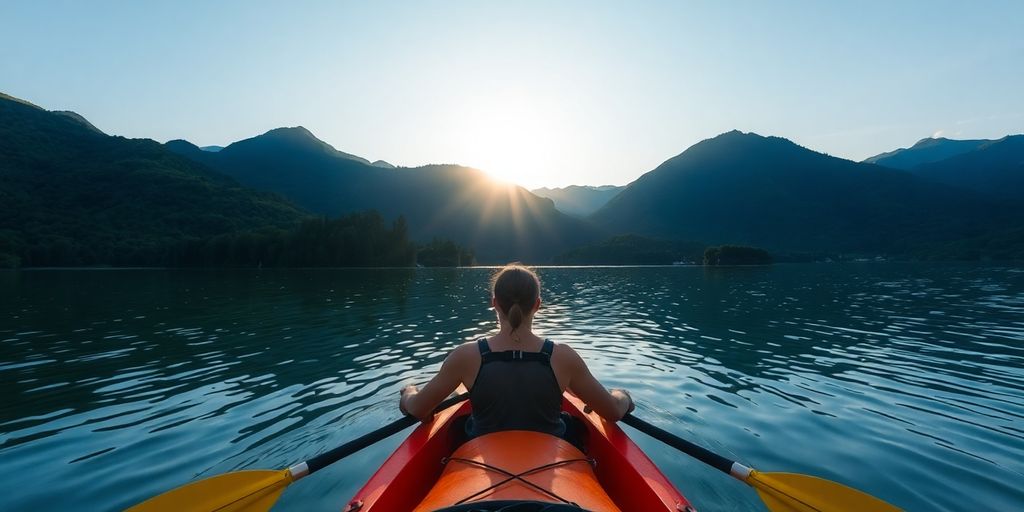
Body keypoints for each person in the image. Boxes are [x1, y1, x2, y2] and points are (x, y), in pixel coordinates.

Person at [400, 264, 633, 442]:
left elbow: (418, 408)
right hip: (551, 454)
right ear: (537, 304)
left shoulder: (465, 356)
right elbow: (612, 411)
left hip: (483, 453)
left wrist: (409, 392)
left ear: (494, 303)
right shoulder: (563, 357)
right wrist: (622, 395)